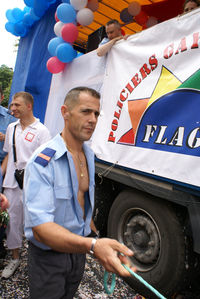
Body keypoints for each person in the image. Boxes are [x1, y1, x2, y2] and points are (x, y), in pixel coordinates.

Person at [23, 87, 135, 299]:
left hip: (78, 253)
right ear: (65, 112)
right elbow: (41, 229)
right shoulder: (43, 162)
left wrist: (99, 242)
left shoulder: (89, 155)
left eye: (96, 114)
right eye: (85, 111)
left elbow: (81, 208)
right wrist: (94, 246)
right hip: (49, 257)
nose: (92, 119)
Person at [1, 91, 51, 279]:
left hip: (34, 186)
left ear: (28, 106)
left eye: (16, 105)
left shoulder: (42, 131)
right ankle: (14, 258)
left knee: (35, 224)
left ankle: (37, 261)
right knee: (12, 222)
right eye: (12, 105)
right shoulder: (12, 128)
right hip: (12, 184)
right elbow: (9, 156)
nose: (12, 108)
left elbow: (46, 162)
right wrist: (0, 175)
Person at [0, 87, 16, 260]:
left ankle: (2, 241)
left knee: (4, 206)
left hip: (4, 165)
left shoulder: (10, 117)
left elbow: (15, 142)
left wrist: (5, 137)